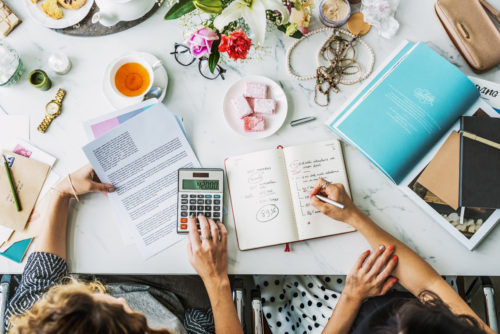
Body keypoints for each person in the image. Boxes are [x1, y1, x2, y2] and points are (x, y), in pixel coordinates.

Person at [6, 164, 243, 334]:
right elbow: (200, 323)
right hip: (173, 298)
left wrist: (62, 192)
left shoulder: (35, 322)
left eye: (93, 298)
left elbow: (42, 275)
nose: (119, 300)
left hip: (100, 271)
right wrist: (216, 278)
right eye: (124, 313)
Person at [255, 178, 494, 334]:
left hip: (336, 317)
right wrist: (353, 216)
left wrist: (352, 295)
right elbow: (428, 285)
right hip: (405, 290)